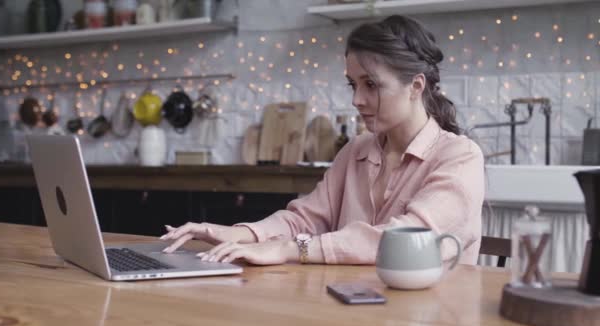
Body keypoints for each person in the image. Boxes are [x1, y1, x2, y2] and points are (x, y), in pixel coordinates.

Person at [160, 15, 485, 266]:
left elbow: (402, 241)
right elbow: (305, 218)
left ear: (416, 86)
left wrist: (291, 249)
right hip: (354, 310)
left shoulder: (460, 157)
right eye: (352, 85)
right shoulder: (356, 150)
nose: (357, 99)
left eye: (371, 84)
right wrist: (237, 233)